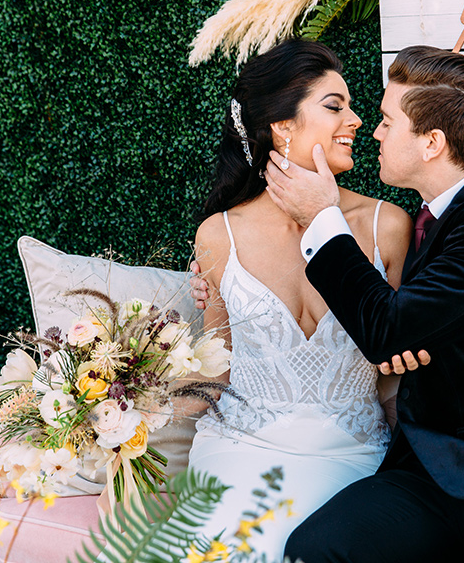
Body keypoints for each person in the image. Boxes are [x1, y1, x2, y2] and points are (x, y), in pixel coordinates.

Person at [259, 45, 464, 563]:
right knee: (313, 551)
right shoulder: (438, 215)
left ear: (432, 143)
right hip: (424, 474)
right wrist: (405, 333)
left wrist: (323, 218)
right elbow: (404, 325)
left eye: (389, 121)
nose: (374, 132)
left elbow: (387, 329)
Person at [181, 39, 425, 560]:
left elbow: (396, 369)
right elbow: (214, 370)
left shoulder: (387, 226)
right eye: (335, 106)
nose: (358, 120)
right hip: (241, 449)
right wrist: (121, 407)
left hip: (354, 456)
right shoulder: (219, 235)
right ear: (282, 127)